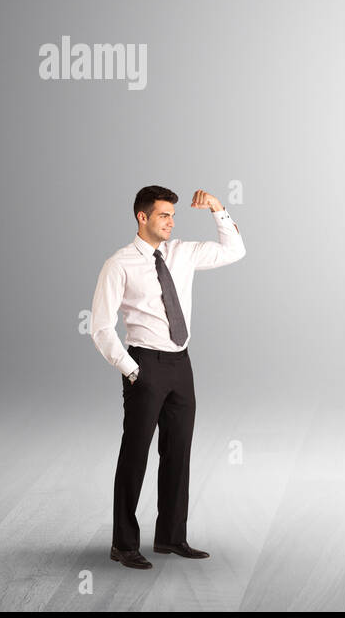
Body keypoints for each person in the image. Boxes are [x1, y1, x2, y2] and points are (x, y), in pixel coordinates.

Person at [90, 185, 245, 570]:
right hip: (144, 365)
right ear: (142, 217)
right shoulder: (119, 264)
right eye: (163, 215)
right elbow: (100, 327)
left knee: (178, 453)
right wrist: (131, 370)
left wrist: (218, 208)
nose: (171, 223)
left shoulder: (183, 253)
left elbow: (235, 250)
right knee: (135, 455)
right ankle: (123, 544)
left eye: (173, 216)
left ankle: (171, 537)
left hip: (181, 364)